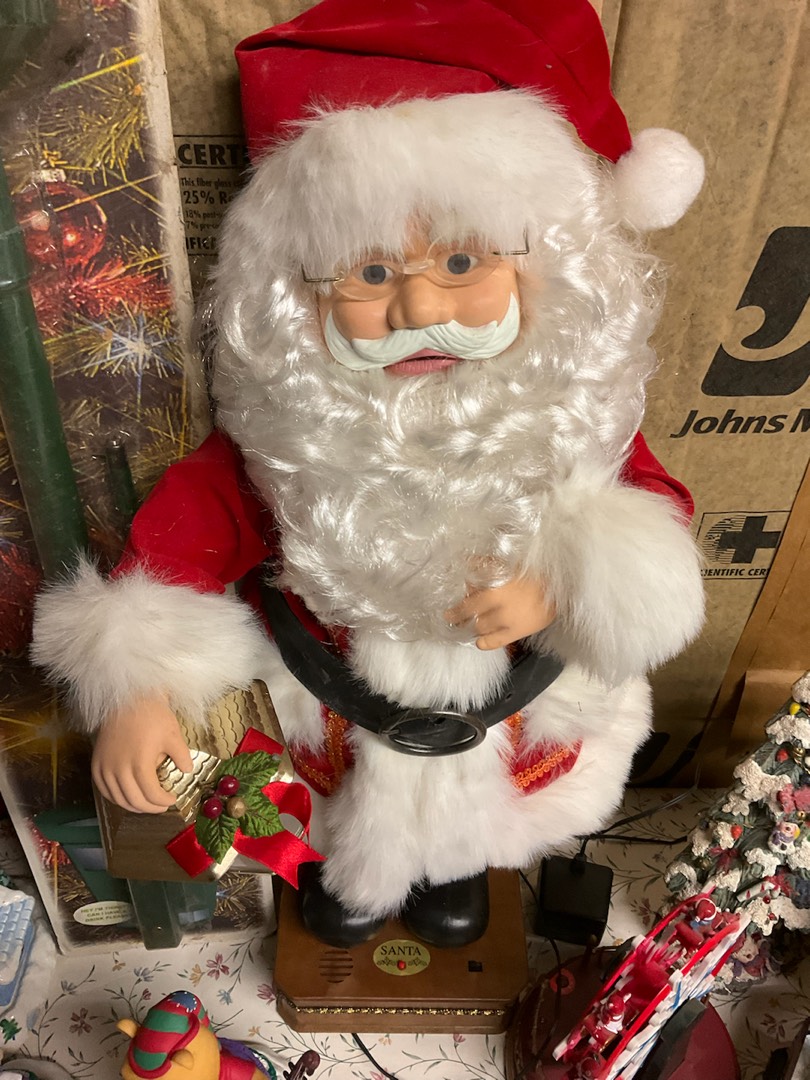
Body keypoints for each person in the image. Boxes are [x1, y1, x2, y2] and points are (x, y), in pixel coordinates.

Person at [32, 0, 705, 947]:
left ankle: (455, 874)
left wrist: (565, 584)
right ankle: (351, 876)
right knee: (338, 802)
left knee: (491, 799)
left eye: (462, 261)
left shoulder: (576, 416)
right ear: (294, 296)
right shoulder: (283, 438)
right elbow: (180, 545)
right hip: (340, 713)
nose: (420, 308)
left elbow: (652, 517)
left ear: (546, 271)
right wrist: (137, 689)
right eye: (373, 276)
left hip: (512, 710)